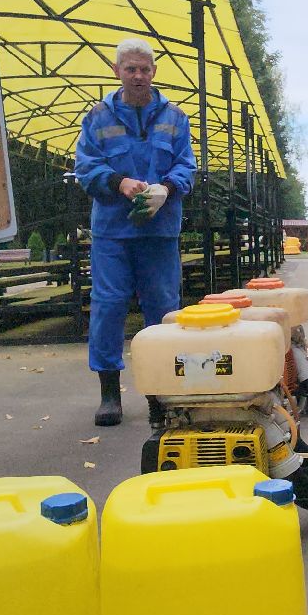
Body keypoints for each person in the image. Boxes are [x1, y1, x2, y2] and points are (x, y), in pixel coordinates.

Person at [72, 38, 197, 426]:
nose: (138, 76)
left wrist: (167, 189)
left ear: (154, 72)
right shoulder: (97, 118)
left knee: (163, 308)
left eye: (145, 69)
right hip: (113, 231)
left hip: (159, 231)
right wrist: (118, 182)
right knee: (108, 306)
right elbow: (86, 166)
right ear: (117, 71)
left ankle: (160, 394)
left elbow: (187, 165)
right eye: (131, 69)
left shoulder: (175, 117)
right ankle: (110, 394)